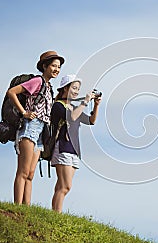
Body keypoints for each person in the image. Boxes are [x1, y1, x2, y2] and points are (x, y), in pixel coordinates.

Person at [6, 50, 64, 205]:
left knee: (31, 174)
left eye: (58, 67)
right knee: (23, 171)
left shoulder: (49, 87)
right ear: (44, 66)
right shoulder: (37, 81)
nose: (56, 69)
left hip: (40, 132)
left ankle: (26, 208)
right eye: (53, 65)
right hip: (30, 128)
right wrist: (24, 112)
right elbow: (11, 92)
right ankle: (17, 206)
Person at [50, 74, 101, 212]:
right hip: (62, 147)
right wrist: (84, 102)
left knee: (62, 185)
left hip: (73, 150)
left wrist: (95, 105)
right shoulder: (58, 106)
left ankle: (55, 213)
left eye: (78, 89)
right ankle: (57, 215)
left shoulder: (74, 107)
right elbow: (71, 117)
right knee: (66, 186)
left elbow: (91, 121)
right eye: (74, 88)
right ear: (65, 88)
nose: (76, 91)